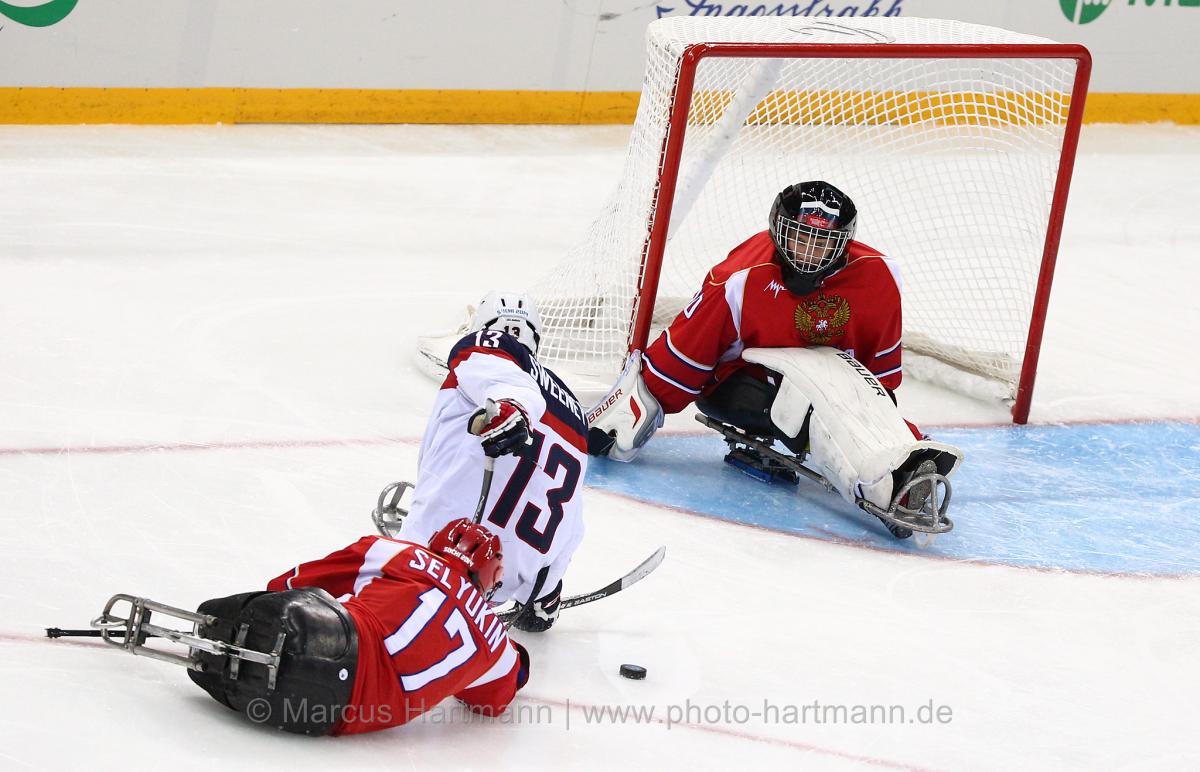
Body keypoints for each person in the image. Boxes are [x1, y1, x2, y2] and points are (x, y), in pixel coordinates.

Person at [587, 181, 962, 538]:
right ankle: (882, 484)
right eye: (800, 237)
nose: (808, 253)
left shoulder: (878, 276)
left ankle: (903, 463)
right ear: (778, 230)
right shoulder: (739, 278)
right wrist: (630, 412)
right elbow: (683, 356)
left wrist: (881, 418)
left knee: (846, 393)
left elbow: (879, 377)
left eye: (822, 243)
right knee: (805, 401)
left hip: (832, 377)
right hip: (738, 384)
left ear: (844, 244)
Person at [96, 518, 530, 735]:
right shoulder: (496, 641)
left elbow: (291, 582)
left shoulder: (395, 552)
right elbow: (494, 702)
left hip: (330, 635)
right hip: (335, 714)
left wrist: (278, 603)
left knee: (230, 616)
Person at [383, 291, 588, 631]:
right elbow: (571, 522)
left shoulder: (489, 347)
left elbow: (510, 384)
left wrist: (515, 408)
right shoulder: (578, 416)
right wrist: (545, 591)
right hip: (499, 590)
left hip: (430, 565)